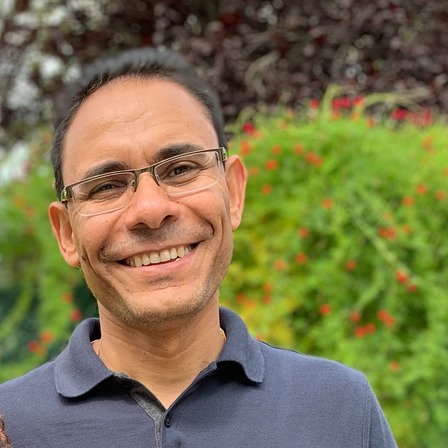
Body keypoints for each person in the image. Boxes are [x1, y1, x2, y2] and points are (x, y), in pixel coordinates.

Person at [0, 48, 397, 447]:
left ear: (233, 192)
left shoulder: (339, 409)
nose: (151, 210)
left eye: (181, 169)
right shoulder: (13, 423)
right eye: (107, 186)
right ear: (67, 233)